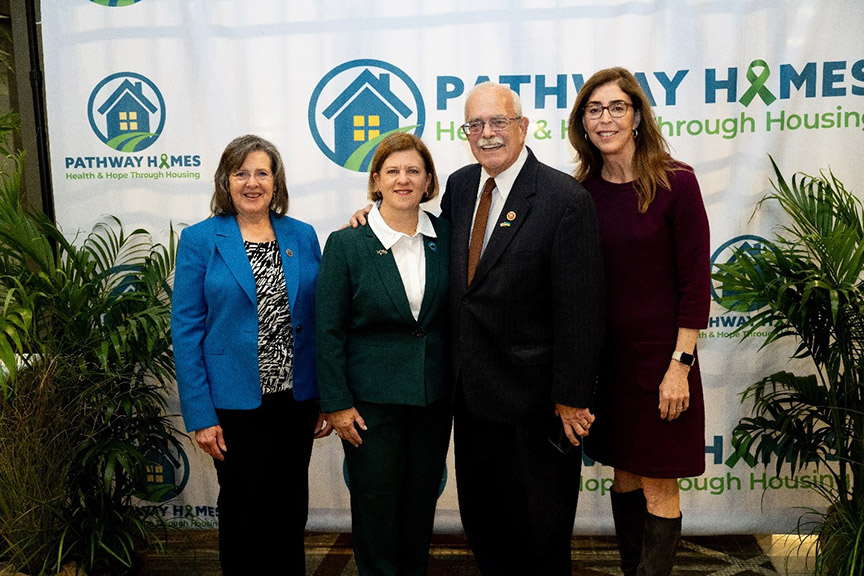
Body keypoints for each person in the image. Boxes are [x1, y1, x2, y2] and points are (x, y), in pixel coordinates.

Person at [567, 67, 711, 576]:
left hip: (663, 363)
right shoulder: (580, 193)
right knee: (624, 474)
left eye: (616, 107)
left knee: (657, 483)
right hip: (608, 367)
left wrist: (680, 366)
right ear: (583, 123)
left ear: (636, 117)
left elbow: (696, 283)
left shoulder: (676, 182)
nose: (605, 118)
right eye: (594, 109)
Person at [171, 134, 330, 575]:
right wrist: (200, 415)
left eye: (262, 173)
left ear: (276, 182)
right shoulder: (201, 239)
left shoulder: (302, 235)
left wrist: (326, 395)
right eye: (241, 173)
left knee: (289, 511)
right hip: (233, 407)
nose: (252, 182)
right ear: (225, 181)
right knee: (243, 514)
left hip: (296, 402)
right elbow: (186, 330)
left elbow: (319, 319)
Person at [316, 132, 452, 576]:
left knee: (420, 504)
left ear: (428, 180)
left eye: (413, 170)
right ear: (376, 180)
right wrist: (336, 404)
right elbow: (328, 330)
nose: (403, 179)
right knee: (375, 509)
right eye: (392, 171)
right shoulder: (346, 244)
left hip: (433, 400)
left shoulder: (447, 235)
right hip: (369, 406)